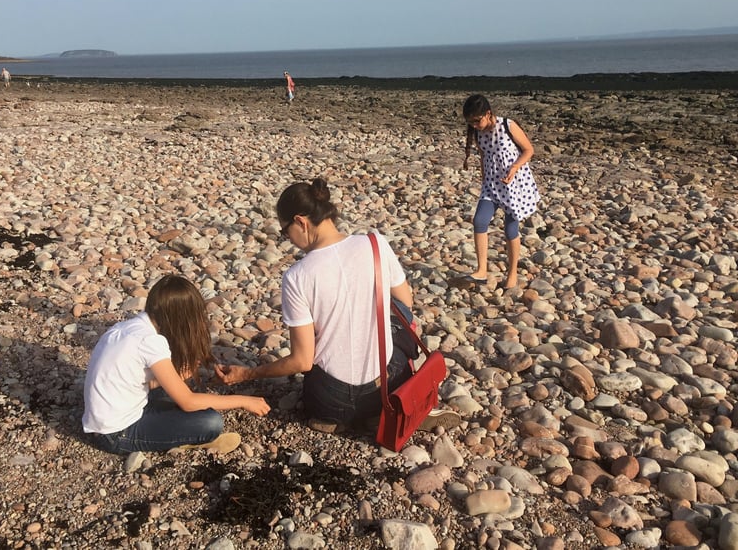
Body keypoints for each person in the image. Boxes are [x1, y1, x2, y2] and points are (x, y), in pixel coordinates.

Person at [218, 178, 458, 434]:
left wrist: (248, 374)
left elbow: (302, 361)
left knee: (319, 359)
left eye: (285, 231)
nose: (288, 239)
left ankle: (338, 420)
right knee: (396, 326)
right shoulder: (375, 244)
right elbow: (405, 304)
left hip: (332, 399)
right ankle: (386, 410)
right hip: (386, 384)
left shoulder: (297, 276)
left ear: (301, 221)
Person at [82, 274, 270, 454]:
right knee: (211, 422)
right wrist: (244, 401)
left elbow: (136, 381)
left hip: (104, 421)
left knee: (177, 386)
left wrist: (180, 375)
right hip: (116, 434)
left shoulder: (125, 328)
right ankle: (183, 441)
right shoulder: (150, 341)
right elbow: (188, 402)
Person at [462, 94, 540, 289]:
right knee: (480, 221)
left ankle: (512, 274)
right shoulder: (478, 133)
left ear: (488, 114)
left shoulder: (508, 126)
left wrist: (514, 168)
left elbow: (529, 150)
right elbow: (483, 156)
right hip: (491, 185)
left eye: (477, 120)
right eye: (470, 122)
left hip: (514, 185)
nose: (474, 125)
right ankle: (481, 270)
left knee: (510, 229)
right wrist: (483, 179)